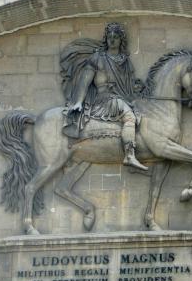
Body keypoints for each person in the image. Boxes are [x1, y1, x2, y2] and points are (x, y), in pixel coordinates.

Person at [62, 22, 148, 171]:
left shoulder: (125, 61)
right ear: (106, 39)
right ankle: (129, 155)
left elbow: (128, 84)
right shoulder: (97, 58)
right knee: (130, 116)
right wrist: (79, 102)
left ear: (121, 40)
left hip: (121, 97)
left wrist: (137, 88)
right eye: (110, 37)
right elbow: (85, 80)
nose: (112, 39)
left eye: (116, 37)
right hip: (104, 99)